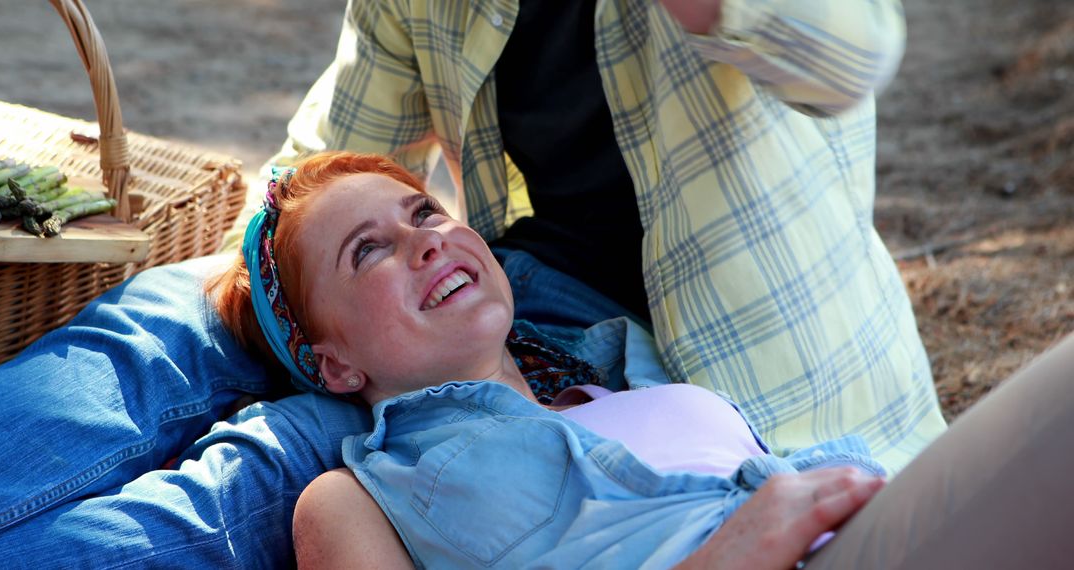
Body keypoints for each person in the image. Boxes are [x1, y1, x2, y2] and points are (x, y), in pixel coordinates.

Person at [0, 0, 942, 565]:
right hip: (502, 287)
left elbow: (851, 52)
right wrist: (278, 262)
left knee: (276, 461)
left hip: (683, 348)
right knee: (159, 316)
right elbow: (334, 155)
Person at [220, 151, 1072, 569]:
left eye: (426, 211)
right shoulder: (355, 497)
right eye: (368, 250)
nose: (426, 243)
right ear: (330, 367)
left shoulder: (624, 371)